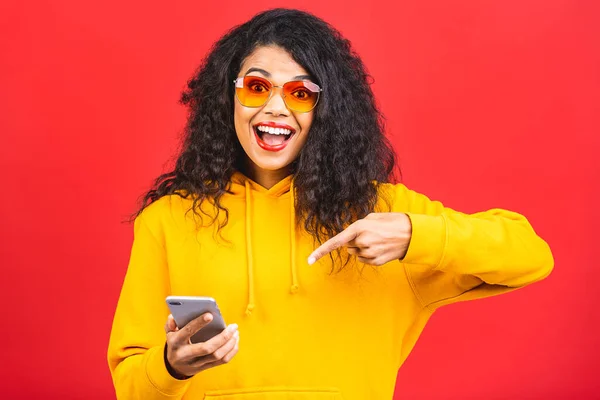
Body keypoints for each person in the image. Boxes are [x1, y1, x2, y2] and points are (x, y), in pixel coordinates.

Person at [107, 8, 553, 400]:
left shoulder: (381, 216)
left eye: (300, 93)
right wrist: (172, 367)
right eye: (257, 87)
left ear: (327, 109)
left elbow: (530, 255)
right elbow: (131, 385)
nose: (276, 108)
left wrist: (416, 235)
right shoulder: (167, 220)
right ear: (228, 98)